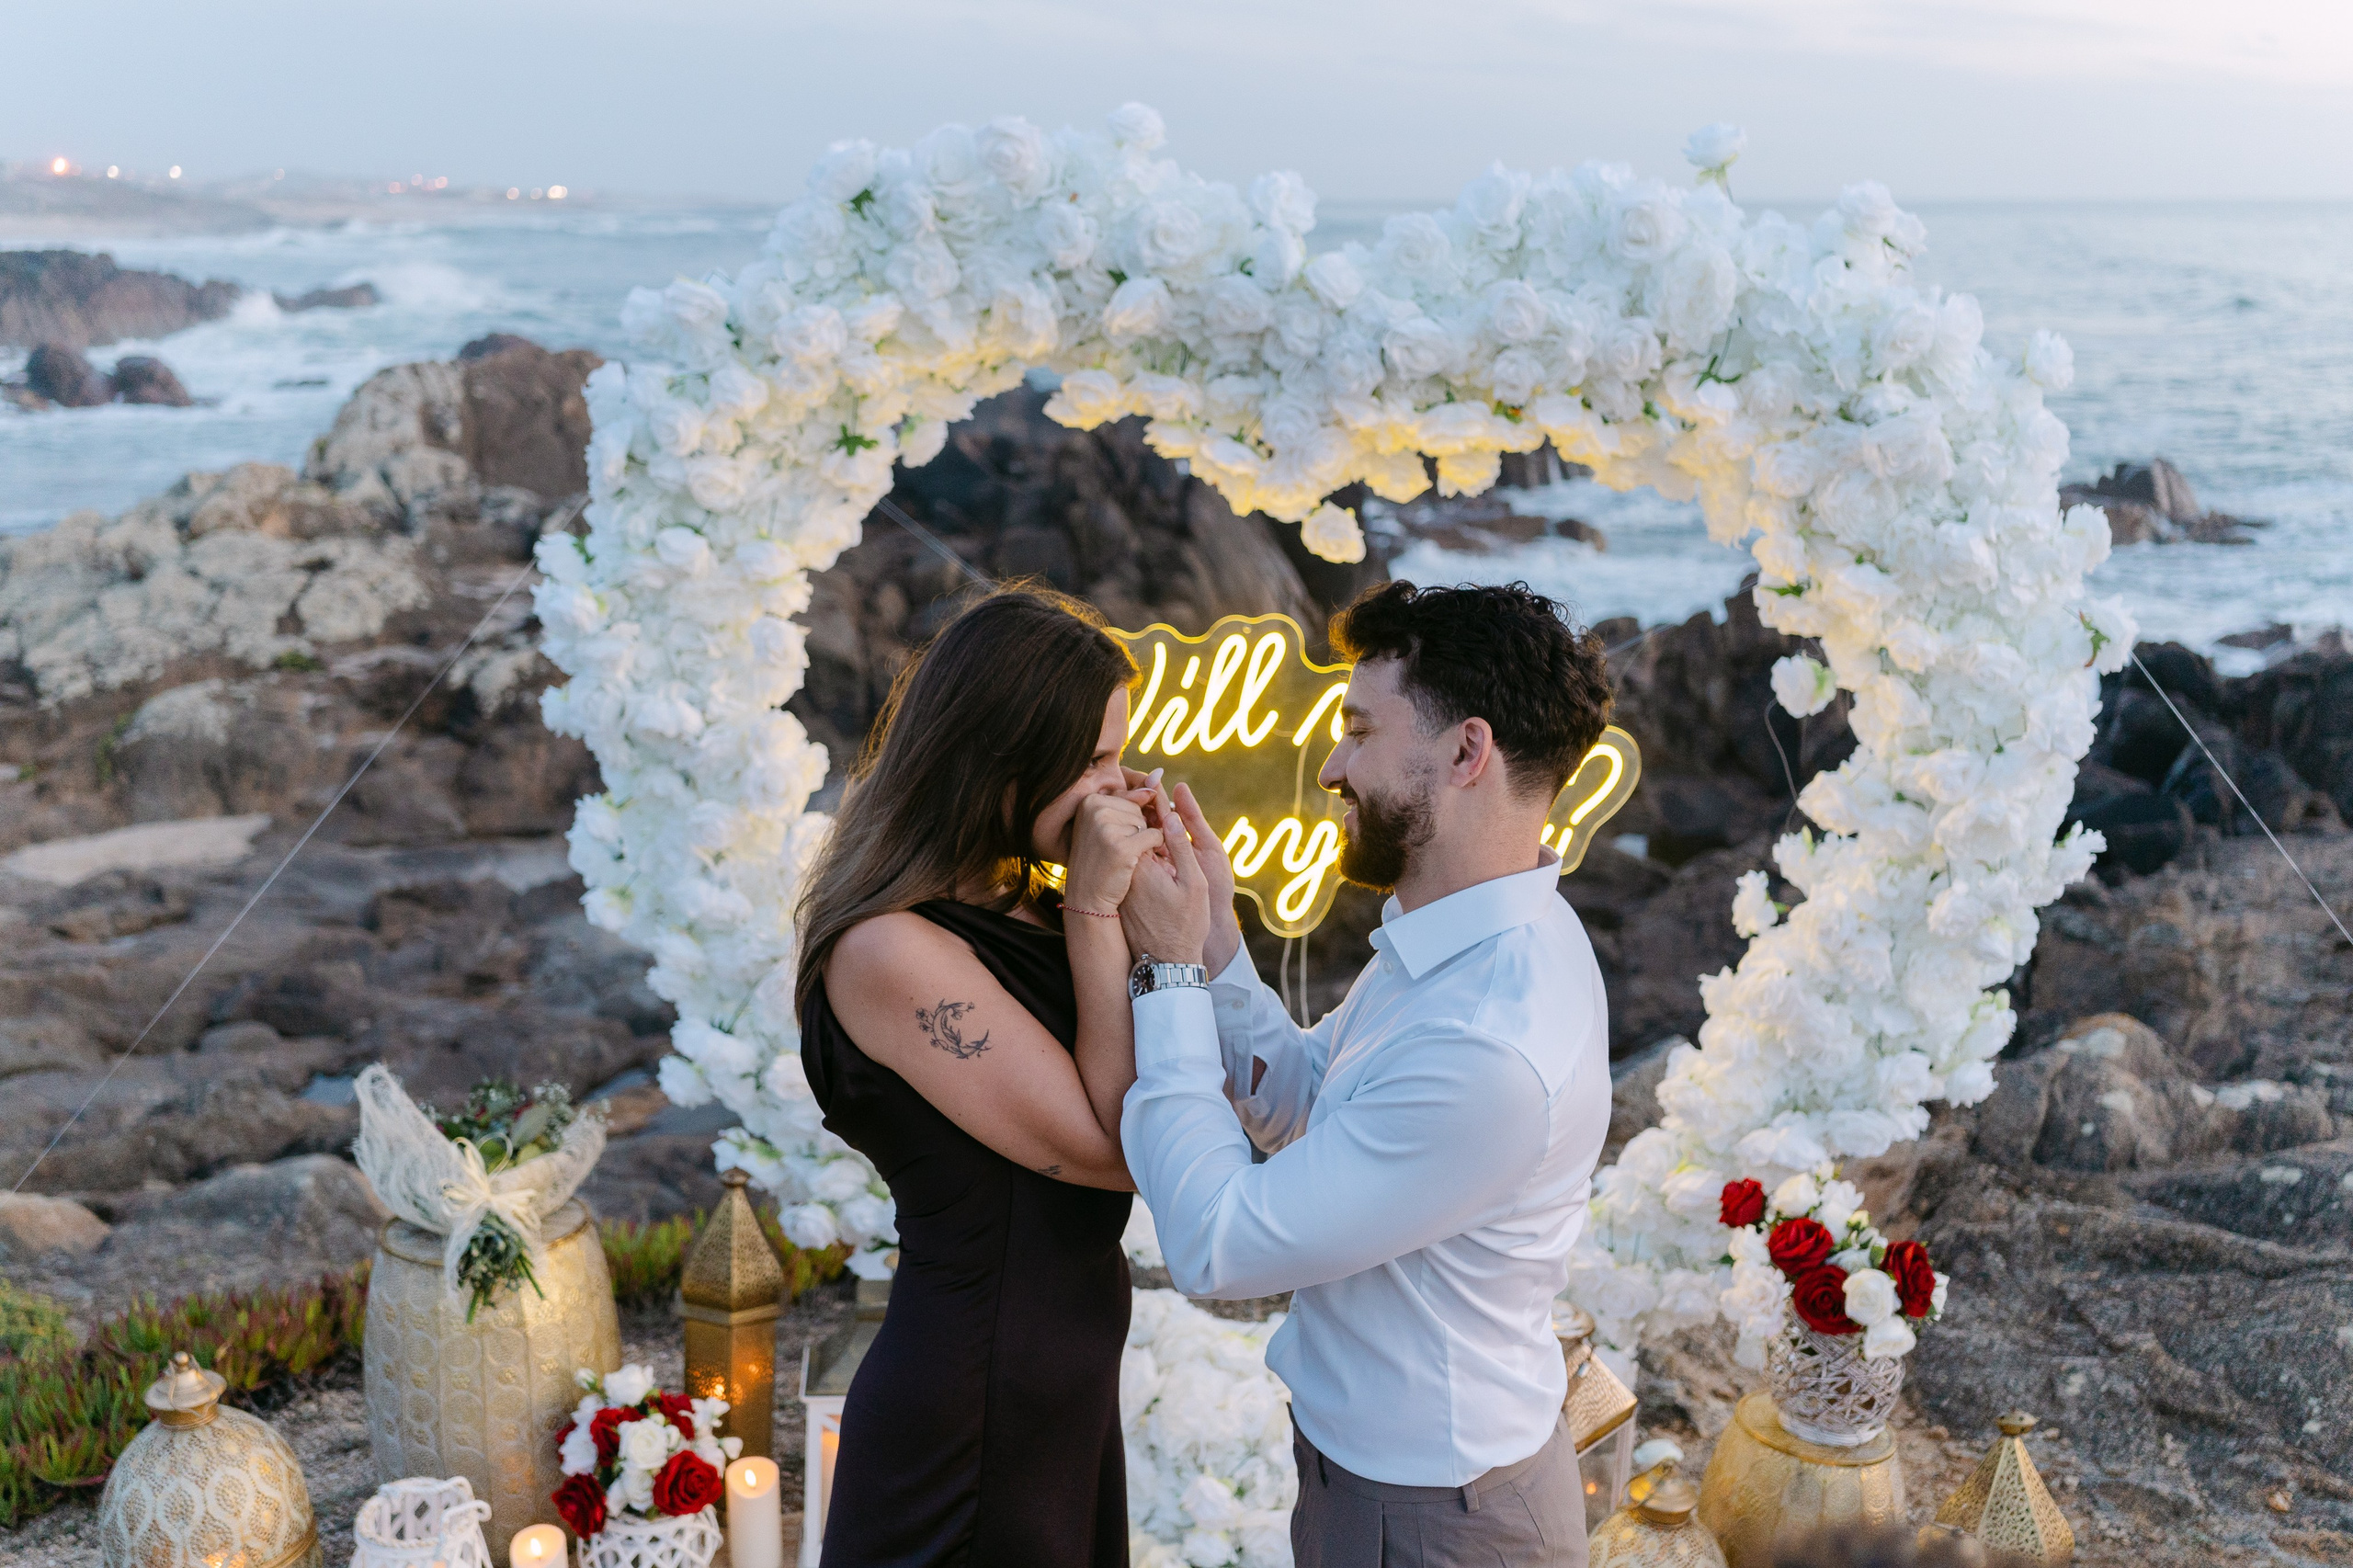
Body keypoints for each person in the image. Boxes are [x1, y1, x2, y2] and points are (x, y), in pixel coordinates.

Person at [1101, 580, 1619, 1568]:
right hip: (1383, 1489)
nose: (1332, 765)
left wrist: (1164, 976)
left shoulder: (1486, 1042)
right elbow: (1307, 1107)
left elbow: (1218, 1244)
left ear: (1466, 751)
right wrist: (1214, 947)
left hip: (1436, 1522)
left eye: (1359, 729)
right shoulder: (1456, 939)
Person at [793, 587, 1169, 1568]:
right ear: (998, 764)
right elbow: (1115, 1146)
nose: (1114, 785)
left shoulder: (1021, 895)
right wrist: (1093, 914)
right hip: (972, 1403)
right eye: (1090, 761)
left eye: (1115, 754)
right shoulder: (888, 950)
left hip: (1061, 1385)